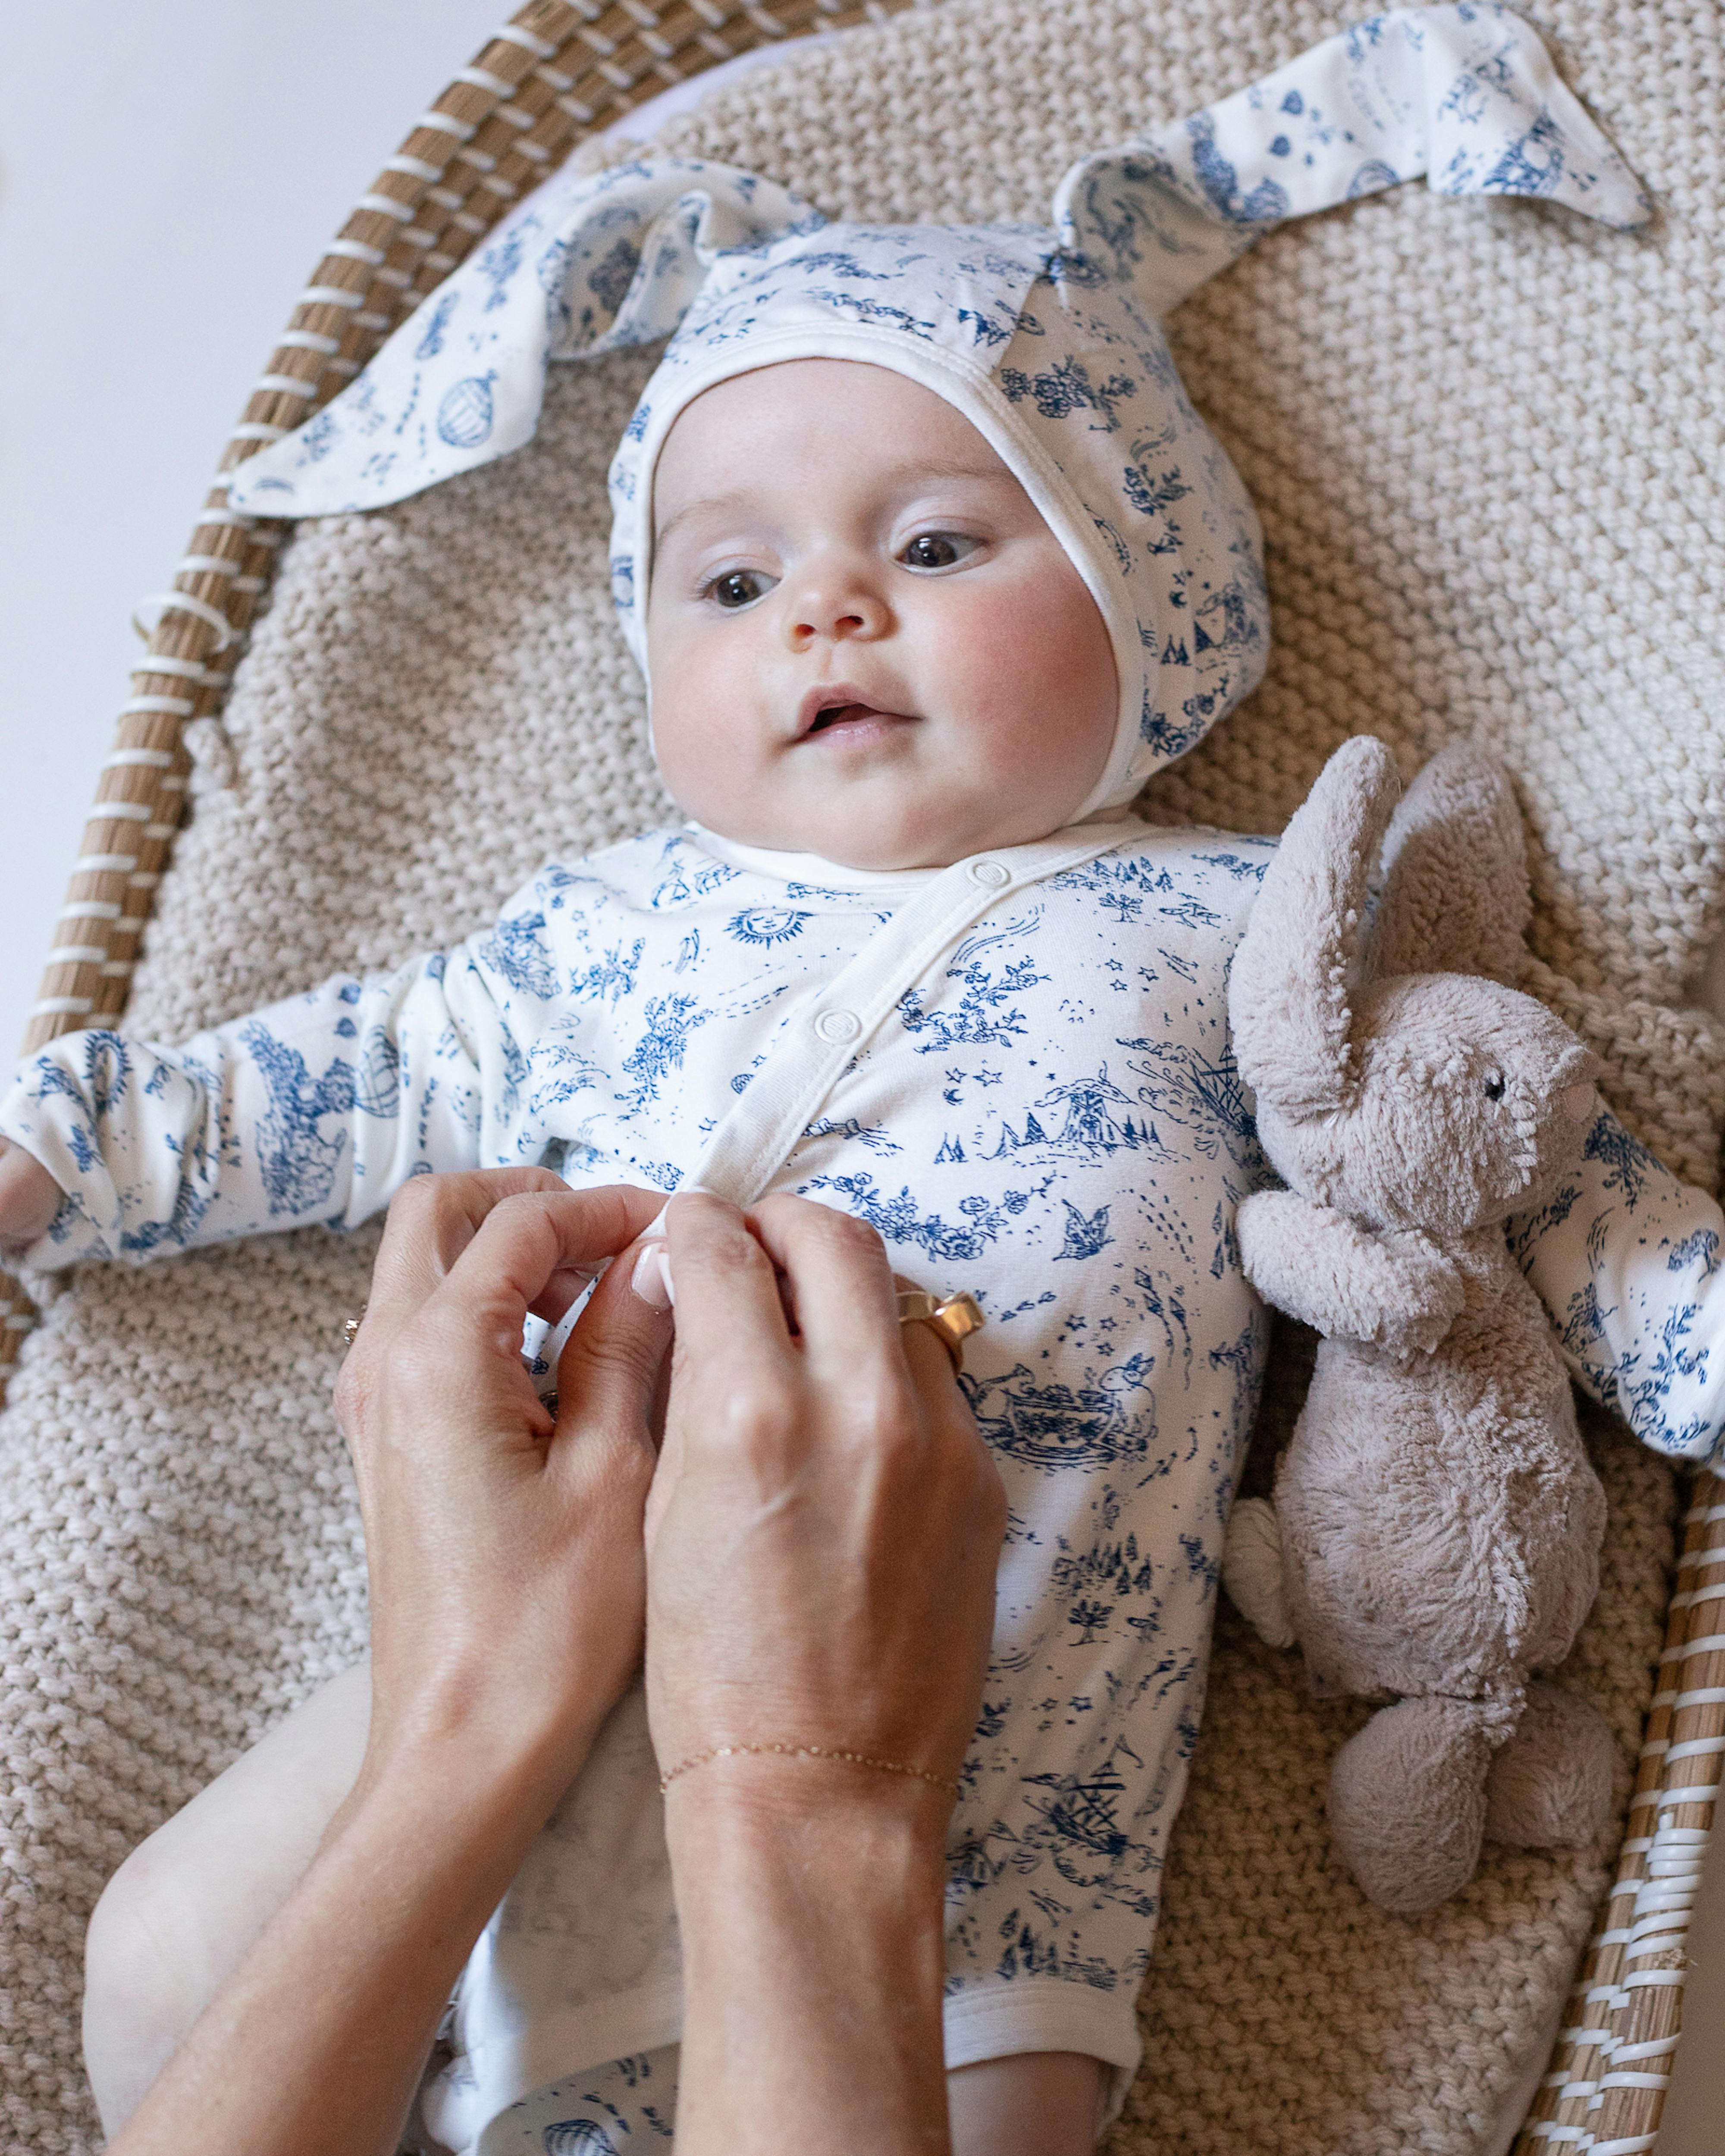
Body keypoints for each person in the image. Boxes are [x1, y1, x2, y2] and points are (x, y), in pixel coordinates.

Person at [1, 9, 1721, 2147]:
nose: (822, 610)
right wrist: (55, 1159)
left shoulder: (1239, 915)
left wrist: (1677, 1312)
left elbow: (1484, 1128)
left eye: (930, 548)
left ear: (1153, 602)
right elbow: (355, 1071)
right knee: (169, 1959)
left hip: (985, 1835)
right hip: (502, 1716)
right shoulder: (607, 925)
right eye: (731, 581)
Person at [95, 1169, 1013, 2156]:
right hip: (557, 1633)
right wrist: (64, 1139)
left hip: (978, 1938)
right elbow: (380, 1045)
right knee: (160, 1958)